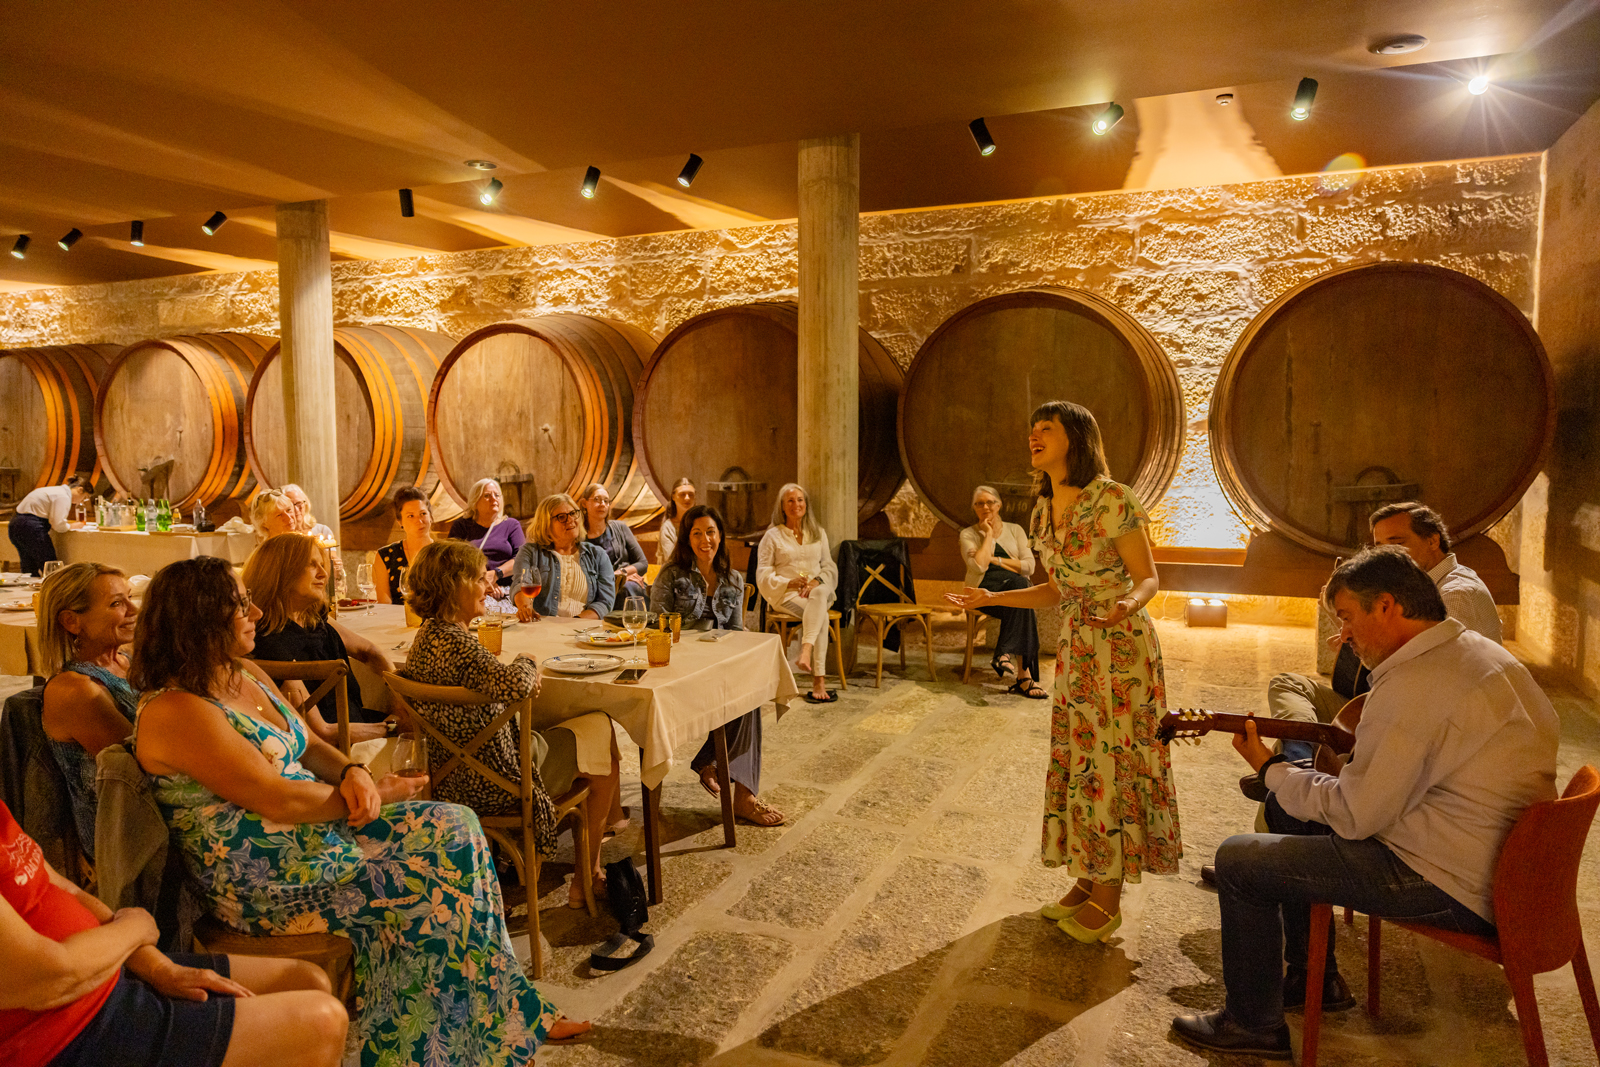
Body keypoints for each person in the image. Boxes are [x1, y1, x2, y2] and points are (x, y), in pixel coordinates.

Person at [130, 555, 589, 1062]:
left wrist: (354, 772)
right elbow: (274, 796)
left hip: (317, 836)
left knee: (457, 826)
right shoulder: (175, 711)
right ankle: (419, 1046)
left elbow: (307, 745)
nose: (257, 613)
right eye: (240, 606)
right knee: (429, 882)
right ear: (198, 619)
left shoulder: (242, 672)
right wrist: (382, 793)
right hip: (266, 879)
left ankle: (502, 1012)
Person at [1170, 546, 1559, 1059]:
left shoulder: (1417, 685)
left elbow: (1357, 815)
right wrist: (1292, 785)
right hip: (1500, 864)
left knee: (1239, 858)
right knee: (1292, 811)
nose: (1343, 636)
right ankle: (1316, 980)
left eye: (1348, 618)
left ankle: (1252, 1024)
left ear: (1388, 607)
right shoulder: (1480, 655)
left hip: (1449, 879)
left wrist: (1270, 769)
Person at [947, 400, 1180, 944]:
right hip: (1078, 645)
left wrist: (1128, 604)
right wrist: (990, 593)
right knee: (1081, 760)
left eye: (1045, 429)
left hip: (1121, 648)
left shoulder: (1113, 498)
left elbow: (1148, 578)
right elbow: (1056, 590)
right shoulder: (1041, 507)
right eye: (1031, 430)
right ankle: (1087, 874)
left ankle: (1110, 895)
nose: (1034, 436)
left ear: (1074, 437)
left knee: (1115, 761)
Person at [0, 797, 348, 1067]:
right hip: (58, 1037)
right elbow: (49, 978)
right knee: (322, 1022)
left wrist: (157, 967)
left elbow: (65, 889)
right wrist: (135, 928)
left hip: (101, 975)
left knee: (308, 979)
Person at [402, 540, 621, 909]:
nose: (489, 587)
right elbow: (518, 684)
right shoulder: (459, 644)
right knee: (602, 734)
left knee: (573, 729)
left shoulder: (426, 637)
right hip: (499, 782)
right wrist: (527, 659)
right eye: (478, 578)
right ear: (453, 586)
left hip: (447, 779)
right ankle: (588, 876)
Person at [1265, 500, 1502, 768]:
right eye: (1380, 547)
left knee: (1280, 768)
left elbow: (1429, 679)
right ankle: (1299, 763)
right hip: (1380, 701)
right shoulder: (1416, 585)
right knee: (1288, 685)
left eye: (1397, 542)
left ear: (1433, 540)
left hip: (1421, 722)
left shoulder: (1455, 593)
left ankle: (1294, 767)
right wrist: (1349, 626)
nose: (1387, 554)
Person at [651, 504, 785, 826]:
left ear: (720, 536)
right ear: (687, 539)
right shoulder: (671, 577)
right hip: (680, 666)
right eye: (696, 533)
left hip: (717, 666)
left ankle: (736, 789)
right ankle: (729, 782)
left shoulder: (732, 579)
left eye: (710, 532)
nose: (704, 540)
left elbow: (736, 632)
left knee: (751, 690)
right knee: (746, 696)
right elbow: (657, 626)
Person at [243, 534, 404, 747]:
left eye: (322, 564)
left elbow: (370, 651)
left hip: (358, 724)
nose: (323, 573)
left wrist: (400, 702)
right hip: (337, 748)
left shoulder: (312, 616)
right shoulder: (269, 642)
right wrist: (394, 727)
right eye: (311, 565)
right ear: (280, 572)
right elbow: (321, 733)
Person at [36, 563, 139, 862]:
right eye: (117, 603)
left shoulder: (128, 661)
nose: (133, 610)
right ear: (71, 621)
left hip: (156, 806)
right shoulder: (75, 691)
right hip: (122, 834)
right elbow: (141, 764)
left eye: (130, 597)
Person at [960, 485, 1046, 698]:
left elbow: (1030, 567)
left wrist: (995, 559)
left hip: (1013, 589)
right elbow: (979, 567)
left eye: (989, 502)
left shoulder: (1015, 530)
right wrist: (988, 535)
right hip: (982, 593)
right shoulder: (968, 534)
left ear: (999, 505)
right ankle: (1024, 677)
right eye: (979, 503)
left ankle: (1005, 655)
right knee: (1023, 596)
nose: (985, 506)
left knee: (1020, 586)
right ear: (974, 508)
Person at [756, 484, 838, 704]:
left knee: (820, 593)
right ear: (782, 506)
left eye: (800, 500)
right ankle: (818, 680)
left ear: (806, 504)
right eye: (790, 501)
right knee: (822, 616)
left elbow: (829, 566)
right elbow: (762, 573)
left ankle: (805, 651)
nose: (796, 505)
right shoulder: (772, 536)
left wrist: (816, 580)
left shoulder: (817, 533)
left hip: (816, 593)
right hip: (787, 595)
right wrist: (788, 582)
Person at [511, 494, 616, 621]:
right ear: (546, 525)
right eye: (561, 517)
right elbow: (520, 585)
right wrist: (525, 607)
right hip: (542, 628)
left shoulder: (597, 555)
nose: (570, 519)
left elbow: (605, 602)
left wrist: (574, 623)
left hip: (584, 631)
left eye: (573, 513)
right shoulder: (530, 552)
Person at [447, 478, 525, 604]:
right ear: (475, 501)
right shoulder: (461, 526)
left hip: (505, 592)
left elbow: (522, 559)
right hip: (472, 590)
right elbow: (452, 560)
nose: (494, 499)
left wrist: (496, 574)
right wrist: (482, 582)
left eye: (497, 495)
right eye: (487, 496)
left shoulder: (511, 525)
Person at [578, 482, 649, 601]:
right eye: (597, 499)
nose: (602, 504)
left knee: (630, 588)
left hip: (625, 582)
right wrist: (611, 578)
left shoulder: (620, 528)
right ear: (584, 503)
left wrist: (621, 574)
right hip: (595, 586)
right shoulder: (578, 536)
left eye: (606, 501)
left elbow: (642, 563)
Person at [8, 476, 90, 575]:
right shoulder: (63, 496)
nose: (81, 501)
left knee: (29, 567)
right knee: (50, 565)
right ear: (80, 490)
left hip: (15, 523)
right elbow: (58, 525)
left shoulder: (54, 490)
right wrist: (73, 526)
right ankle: (55, 589)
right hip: (31, 526)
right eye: (84, 497)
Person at [279, 483, 345, 601]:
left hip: (325, 587)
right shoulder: (285, 536)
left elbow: (333, 564)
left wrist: (337, 567)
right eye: (290, 506)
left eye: (299, 504)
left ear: (306, 504)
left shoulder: (322, 530)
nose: (296, 509)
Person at [374, 486, 431, 604]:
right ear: (400, 521)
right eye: (411, 516)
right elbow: (384, 602)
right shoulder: (386, 556)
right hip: (397, 620)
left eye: (423, 513)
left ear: (430, 516)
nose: (419, 521)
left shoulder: (446, 552)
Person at [655, 477, 696, 565]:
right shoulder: (668, 527)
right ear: (673, 497)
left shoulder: (700, 524)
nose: (687, 498)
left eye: (691, 494)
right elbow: (672, 561)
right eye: (682, 494)